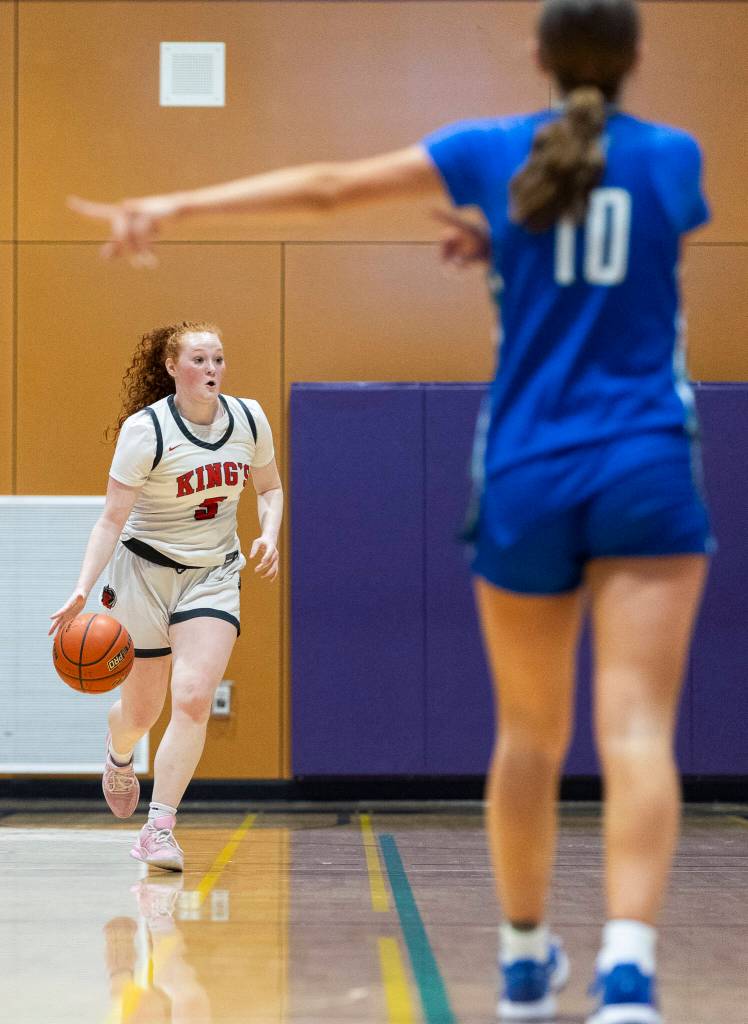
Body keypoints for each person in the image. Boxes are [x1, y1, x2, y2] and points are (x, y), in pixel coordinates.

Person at [68, 2, 712, 1019]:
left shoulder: (493, 151)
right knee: (633, 726)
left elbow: (326, 187)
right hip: (643, 460)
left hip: (530, 464)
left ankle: (521, 956)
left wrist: (171, 203)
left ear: (534, 56)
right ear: (636, 57)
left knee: (528, 734)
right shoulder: (674, 157)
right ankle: (626, 971)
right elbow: (611, 248)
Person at [50, 321, 282, 873]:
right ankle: (120, 751)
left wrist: (269, 533)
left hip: (213, 573)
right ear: (172, 368)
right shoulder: (146, 431)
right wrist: (83, 587)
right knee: (141, 710)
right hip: (143, 575)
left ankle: (159, 828)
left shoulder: (248, 419)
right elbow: (111, 519)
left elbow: (269, 486)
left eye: (218, 360)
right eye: (199, 360)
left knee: (195, 695)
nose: (212, 370)